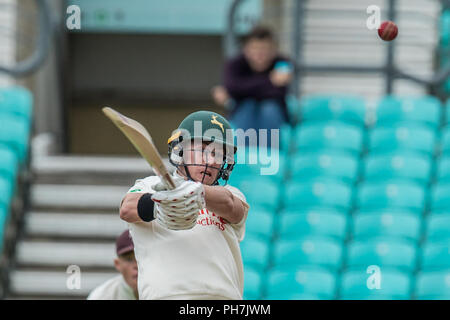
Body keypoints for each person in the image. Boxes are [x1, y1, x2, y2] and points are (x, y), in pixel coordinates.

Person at [119, 110, 250, 300]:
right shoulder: (150, 186)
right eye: (203, 150)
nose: (212, 160)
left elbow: (232, 207)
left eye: (218, 153)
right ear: (180, 151)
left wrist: (195, 192)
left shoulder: (230, 194)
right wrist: (158, 204)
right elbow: (127, 208)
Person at [211, 25, 293, 147]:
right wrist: (269, 81)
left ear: (273, 50)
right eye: (255, 49)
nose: (260, 54)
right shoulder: (234, 64)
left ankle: (269, 156)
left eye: (264, 49)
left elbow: (278, 92)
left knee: (268, 108)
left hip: (273, 113)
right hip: (243, 111)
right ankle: (246, 156)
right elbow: (233, 87)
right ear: (246, 50)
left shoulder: (282, 62)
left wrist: (243, 89)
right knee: (248, 106)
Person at [87, 229, 138, 300]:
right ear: (118, 264)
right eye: (129, 259)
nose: (137, 265)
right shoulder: (100, 296)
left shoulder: (159, 290)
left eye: (141, 258)